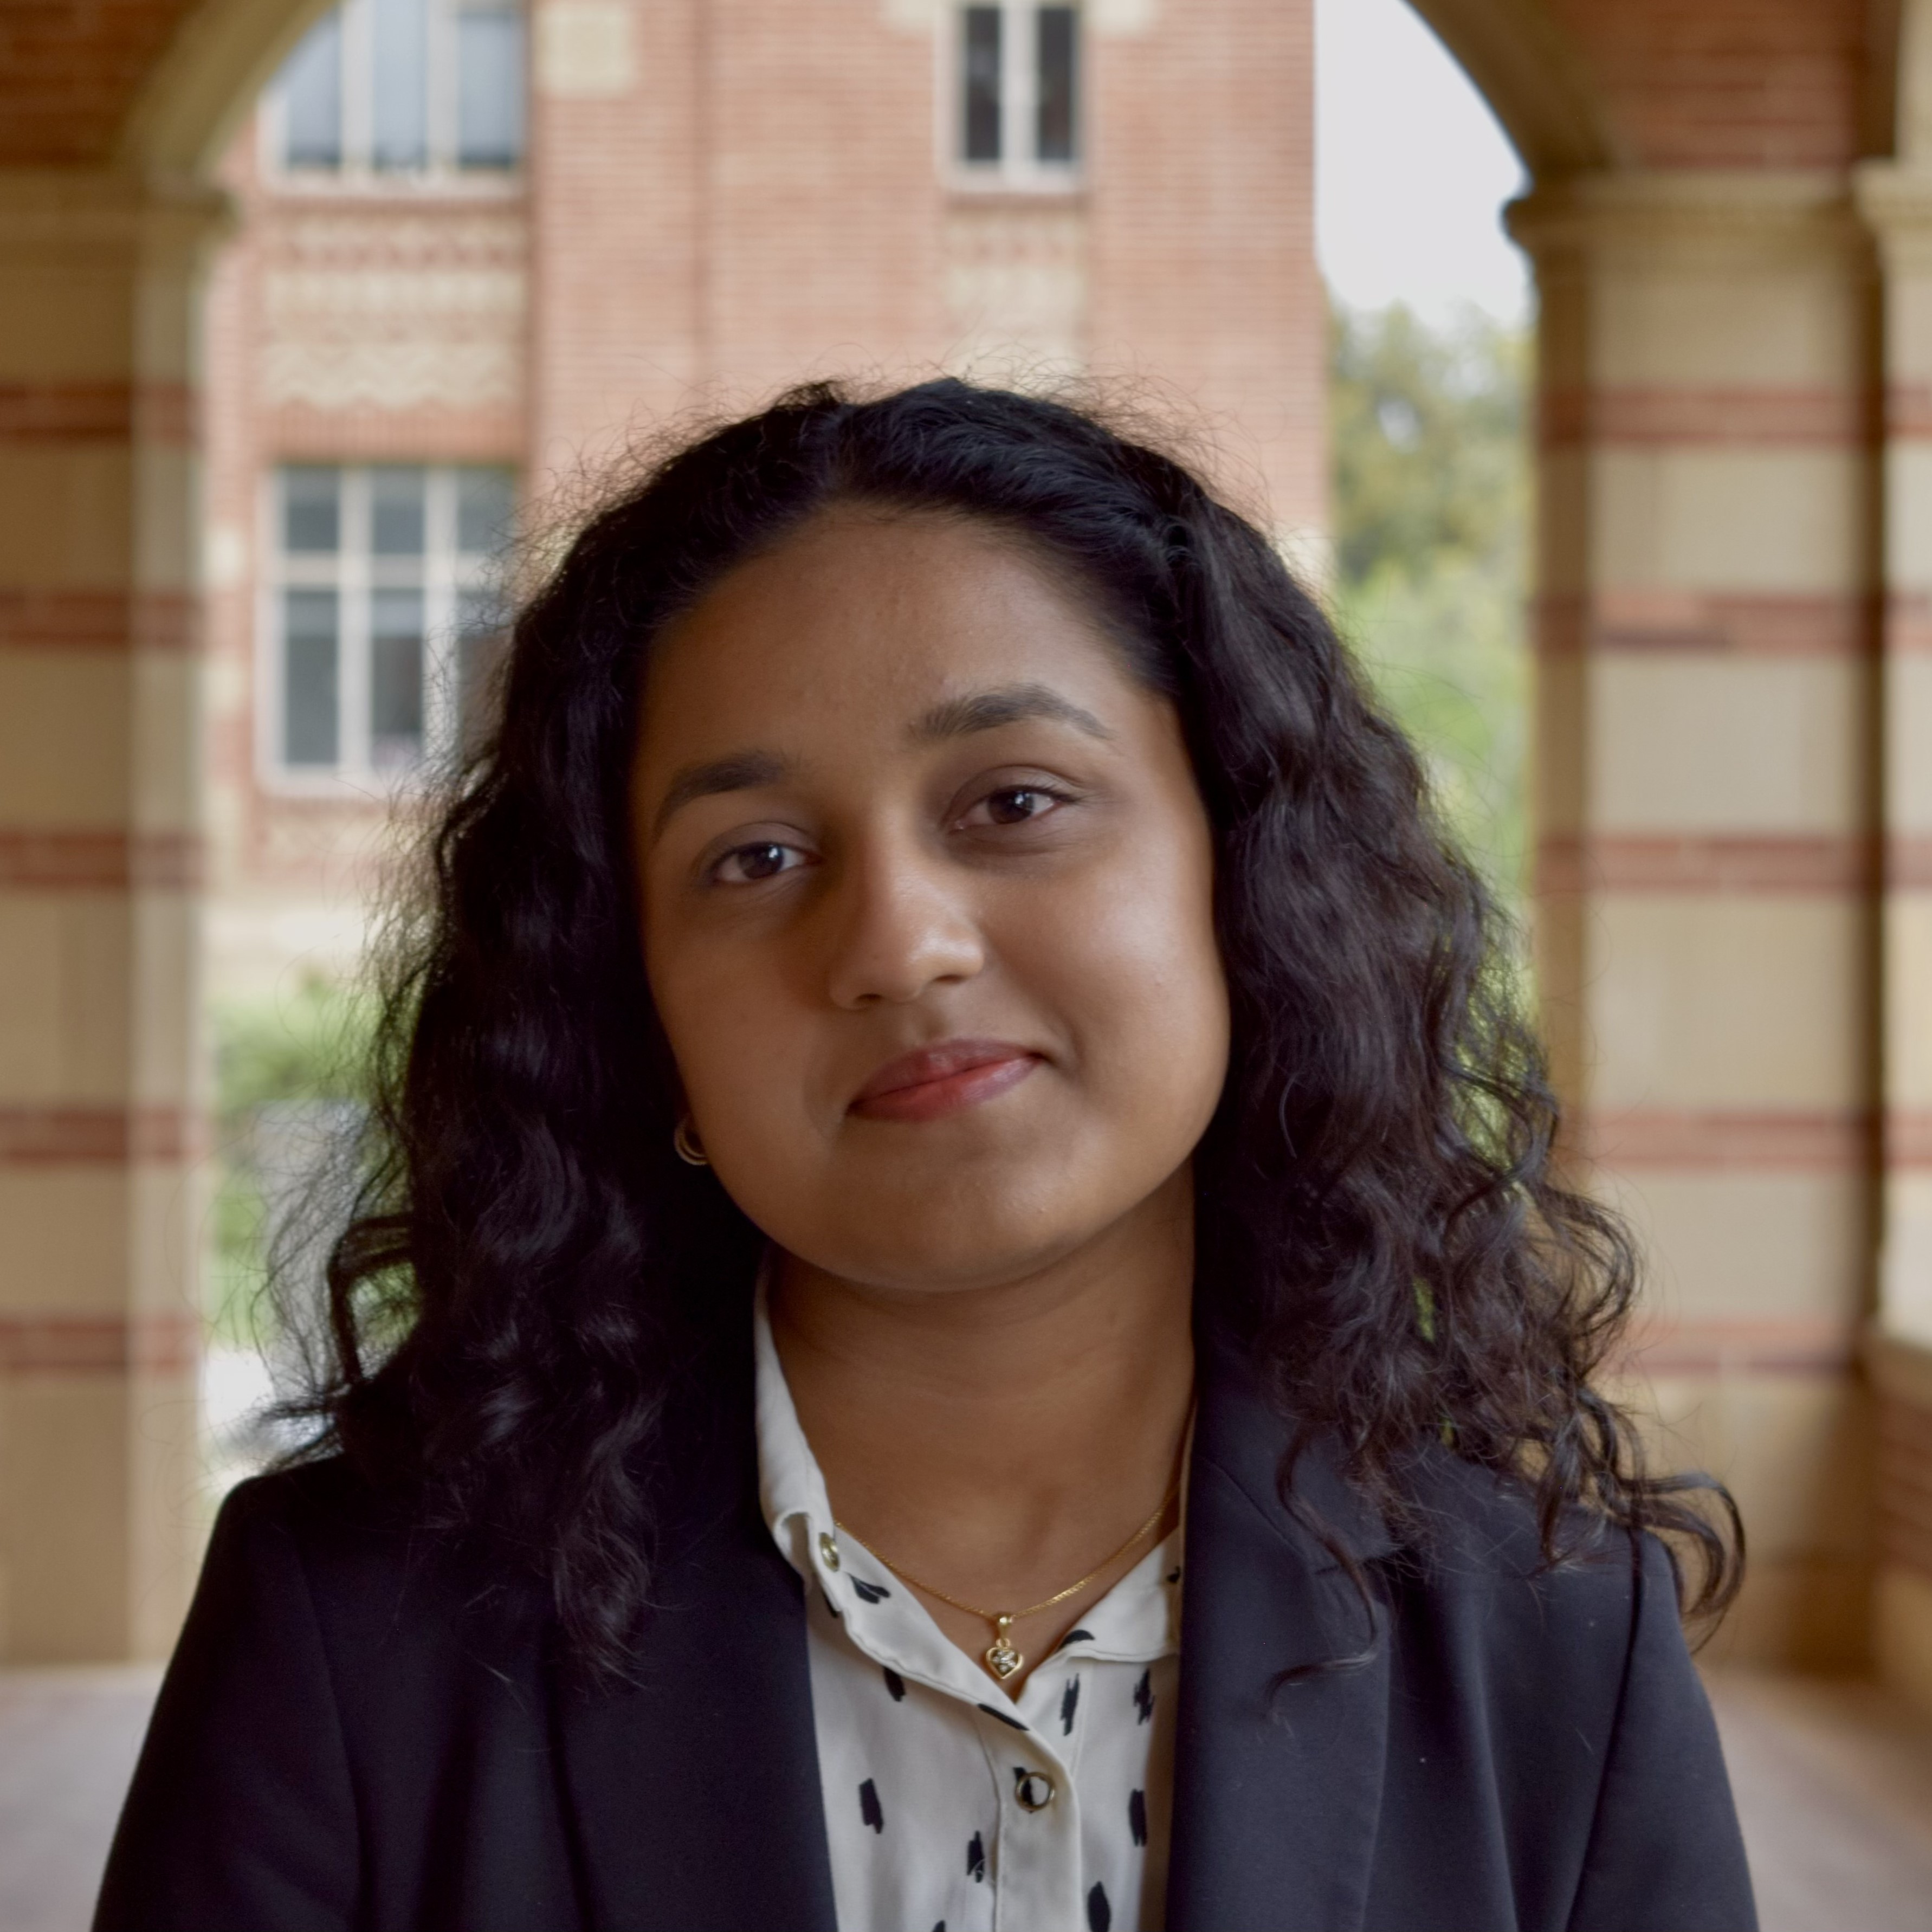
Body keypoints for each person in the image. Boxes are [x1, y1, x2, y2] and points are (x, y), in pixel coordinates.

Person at [95, 380, 1755, 1932]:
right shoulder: (351, 1638)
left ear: (1247, 891)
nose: (897, 939)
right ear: (640, 1020)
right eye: (753, 856)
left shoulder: (1561, 1644)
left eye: (1015, 802)